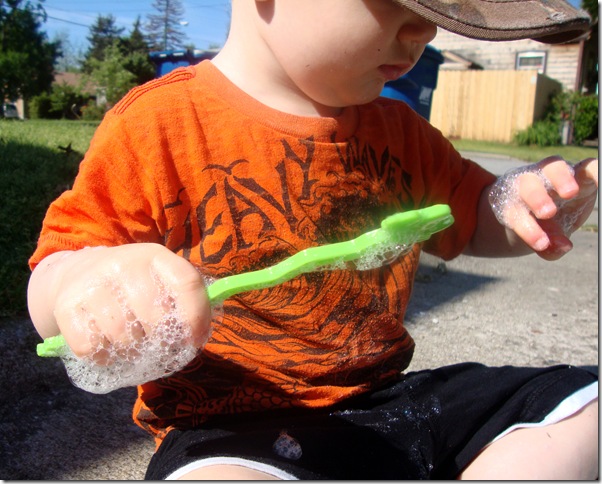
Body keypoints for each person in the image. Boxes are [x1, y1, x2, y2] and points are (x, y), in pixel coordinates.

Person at [27, 0, 598, 480]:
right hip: (232, 432)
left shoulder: (403, 133)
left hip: (387, 401)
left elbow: (471, 216)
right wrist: (82, 283)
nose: (424, 31)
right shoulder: (161, 122)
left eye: (436, 13)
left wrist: (525, 206)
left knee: (584, 407)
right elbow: (59, 263)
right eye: (396, 2)